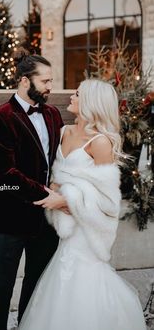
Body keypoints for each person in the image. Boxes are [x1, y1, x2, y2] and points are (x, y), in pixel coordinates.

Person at [18, 79, 147, 330]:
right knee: (61, 273)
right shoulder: (65, 131)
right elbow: (56, 173)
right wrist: (53, 189)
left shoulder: (100, 143)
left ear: (90, 102)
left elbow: (108, 199)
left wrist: (67, 199)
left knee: (81, 277)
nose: (71, 97)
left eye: (77, 94)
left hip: (86, 229)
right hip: (63, 224)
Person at [0, 48, 64, 330]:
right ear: (24, 80)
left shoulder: (53, 114)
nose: (50, 87)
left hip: (45, 220)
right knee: (1, 286)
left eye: (51, 81)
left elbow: (58, 161)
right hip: (10, 218)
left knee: (37, 282)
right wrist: (47, 195)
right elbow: (5, 173)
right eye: (45, 81)